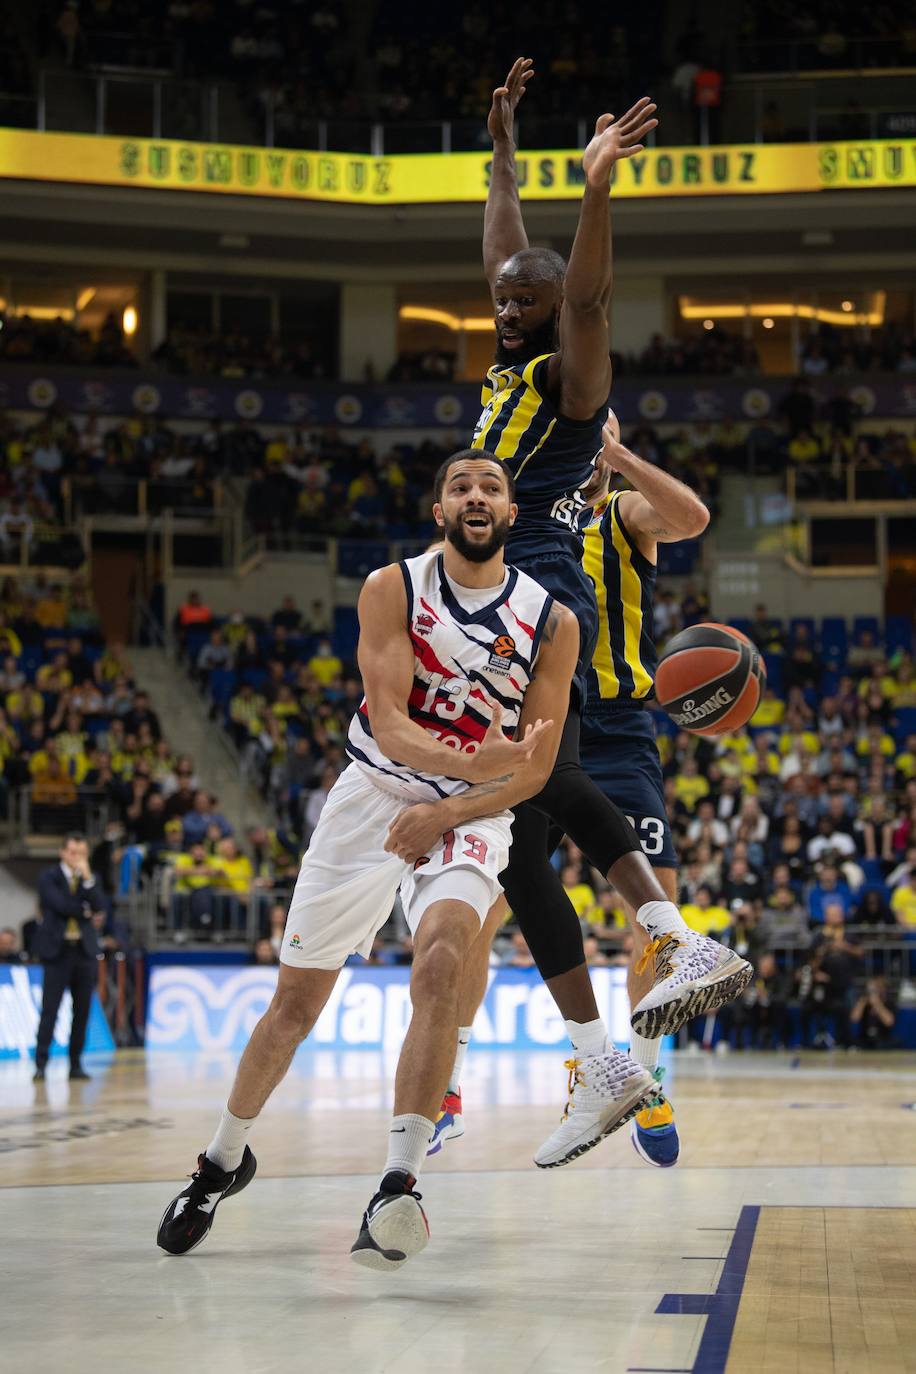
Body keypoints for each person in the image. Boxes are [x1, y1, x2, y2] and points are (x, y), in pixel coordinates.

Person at [156, 450, 653, 1272]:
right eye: (460, 485)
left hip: (472, 816)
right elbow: (389, 726)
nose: (476, 495)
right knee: (293, 1007)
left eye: (491, 485)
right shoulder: (394, 587)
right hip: (374, 795)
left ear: (511, 513)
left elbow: (535, 770)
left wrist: (454, 809)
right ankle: (218, 1163)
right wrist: (469, 768)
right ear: (440, 512)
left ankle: (399, 1183)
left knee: (445, 963)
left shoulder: (553, 622)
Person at [439, 59, 750, 1170]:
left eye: (526, 300)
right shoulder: (505, 358)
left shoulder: (573, 384)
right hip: (509, 599)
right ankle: (606, 1061)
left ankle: (674, 944)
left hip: (532, 596)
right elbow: (504, 252)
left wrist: (597, 191)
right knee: (522, 838)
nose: (511, 305)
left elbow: (581, 293)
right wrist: (504, 149)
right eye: (504, 301)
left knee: (534, 790)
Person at [32, 833, 105, 1081]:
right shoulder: (48, 877)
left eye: (82, 854)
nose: (77, 858)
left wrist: (87, 882)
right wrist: (85, 909)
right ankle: (41, 1063)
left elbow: (101, 905)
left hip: (83, 951)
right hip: (57, 951)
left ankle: (75, 1064)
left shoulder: (90, 879)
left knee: (82, 1010)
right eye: (73, 853)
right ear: (63, 853)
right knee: (50, 1009)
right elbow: (60, 905)